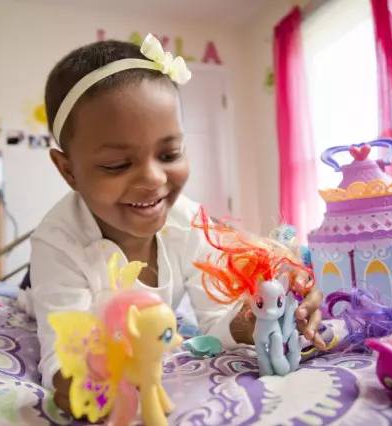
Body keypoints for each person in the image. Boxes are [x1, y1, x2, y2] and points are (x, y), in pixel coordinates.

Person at [18, 34, 325, 414]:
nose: (153, 179)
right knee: (33, 299)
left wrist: (253, 318)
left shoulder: (187, 222)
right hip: (44, 286)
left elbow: (216, 321)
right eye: (117, 164)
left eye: (170, 153)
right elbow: (62, 360)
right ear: (68, 171)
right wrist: (87, 381)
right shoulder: (57, 242)